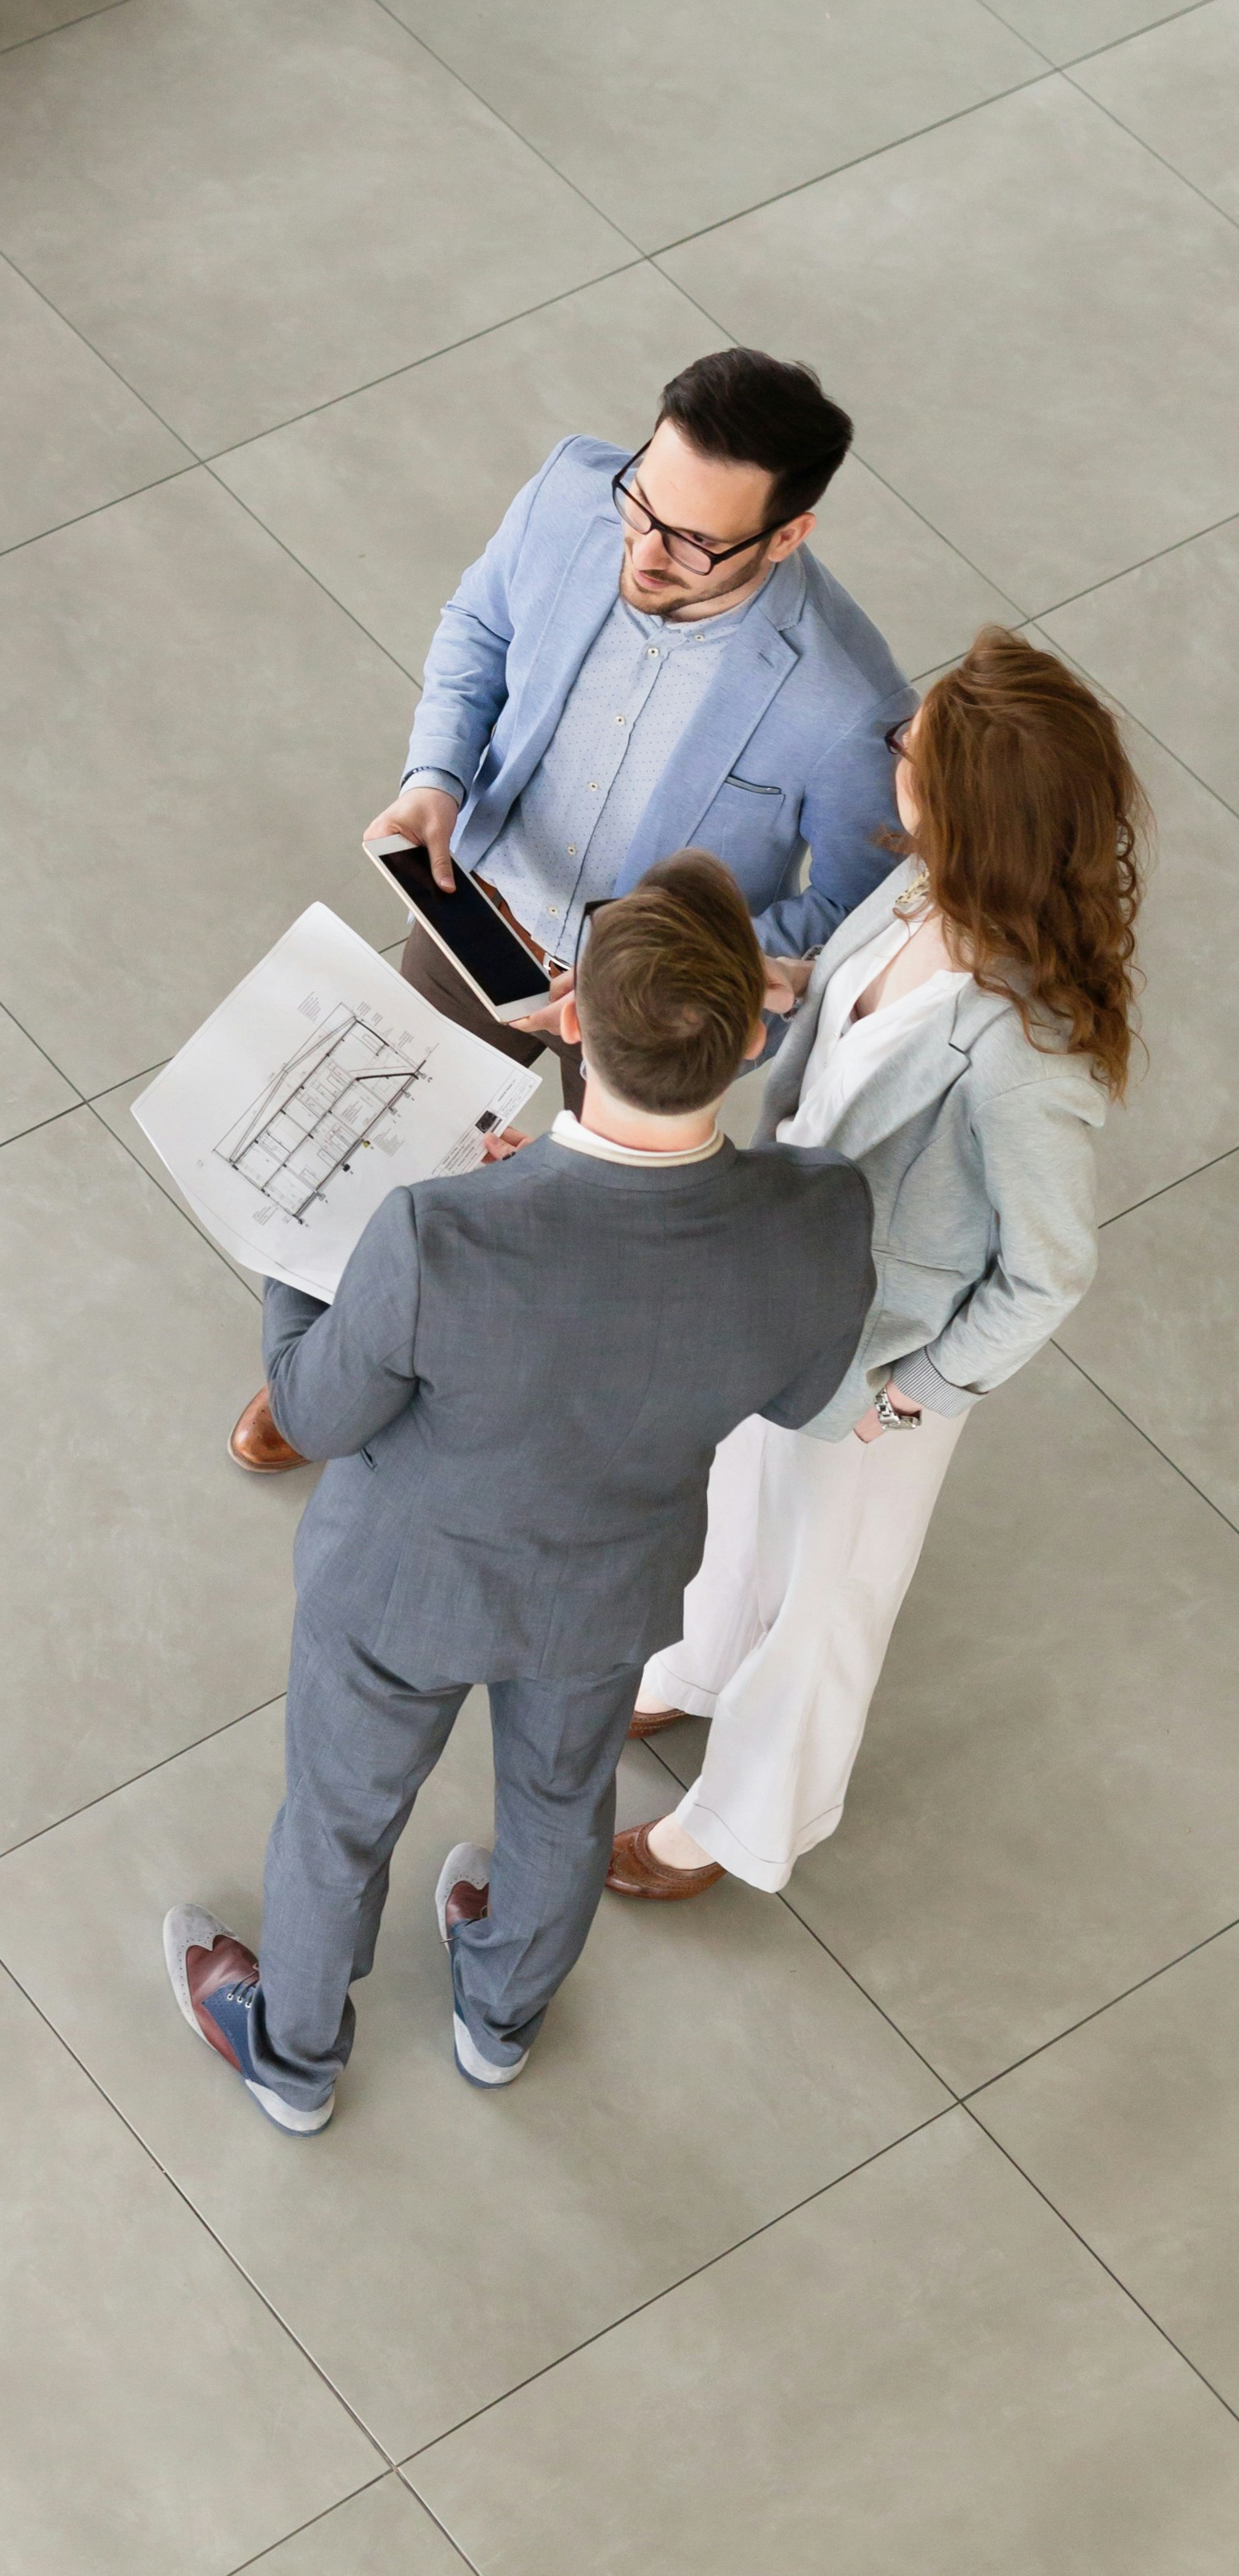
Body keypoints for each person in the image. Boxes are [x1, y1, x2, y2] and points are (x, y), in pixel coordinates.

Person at [165, 857, 874, 2132]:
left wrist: (303, 1253)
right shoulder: (819, 1217)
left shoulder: (440, 1236)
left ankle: (297, 2056)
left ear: (569, 1023)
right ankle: (498, 2022)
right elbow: (801, 1394)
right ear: (752, 1035)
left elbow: (316, 1412)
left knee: (339, 1819)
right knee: (560, 1800)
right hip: (606, 1592)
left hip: (401, 1590)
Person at [232, 346, 911, 1478]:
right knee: (385, 1144)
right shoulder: (566, 494)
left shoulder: (846, 699)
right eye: (642, 500)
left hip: (637, 1008)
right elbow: (480, 627)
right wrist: (437, 777)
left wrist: (685, 973)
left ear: (787, 535)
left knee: (579, 1245)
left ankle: (488, 1417)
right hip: (478, 906)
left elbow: (855, 908)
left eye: (691, 541)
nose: (641, 551)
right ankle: (331, 1373)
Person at [613, 630, 1139, 1906]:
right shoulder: (921, 891)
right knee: (739, 1489)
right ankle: (689, 1668)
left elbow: (1049, 1273)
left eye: (919, 744)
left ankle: (737, 1824)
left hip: (878, 1358)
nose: (895, 743)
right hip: (780, 1279)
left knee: (827, 1596)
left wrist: (924, 1393)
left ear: (968, 806)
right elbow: (845, 1023)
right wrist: (773, 984)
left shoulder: (1032, 1057)